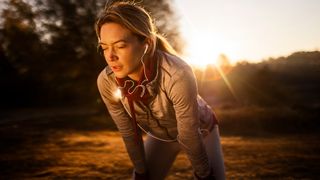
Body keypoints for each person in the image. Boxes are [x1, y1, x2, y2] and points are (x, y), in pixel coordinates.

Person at [95, 1, 225, 180]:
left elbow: (189, 134)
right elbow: (129, 132)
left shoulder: (178, 73)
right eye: (104, 47)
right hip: (161, 135)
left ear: (146, 43)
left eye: (120, 45)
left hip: (201, 130)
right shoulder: (106, 81)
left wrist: (204, 175)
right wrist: (141, 172)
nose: (110, 56)